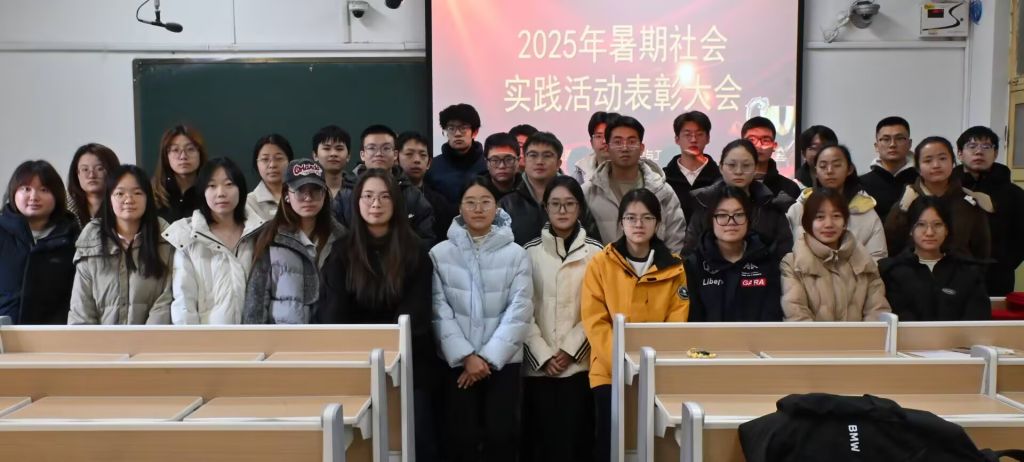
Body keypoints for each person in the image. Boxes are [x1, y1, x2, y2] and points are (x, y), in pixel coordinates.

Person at [318, 169, 442, 461]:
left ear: (396, 203)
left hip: (409, 364)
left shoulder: (416, 251)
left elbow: (415, 317)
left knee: (417, 440)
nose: (376, 204)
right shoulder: (341, 252)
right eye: (368, 196)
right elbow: (333, 315)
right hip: (355, 363)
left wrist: (385, 352)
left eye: (385, 197)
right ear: (357, 202)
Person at [581, 188, 689, 462]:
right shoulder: (601, 263)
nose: (638, 224)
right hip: (609, 371)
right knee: (611, 443)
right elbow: (595, 320)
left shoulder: (674, 267)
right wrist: (622, 363)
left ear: (658, 223)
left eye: (647, 218)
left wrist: (649, 364)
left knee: (654, 445)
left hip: (658, 370)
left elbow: (677, 319)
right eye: (631, 218)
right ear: (621, 223)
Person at [430, 177, 532, 462]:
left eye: (485, 202)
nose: (478, 209)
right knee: (459, 438)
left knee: (502, 436)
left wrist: (486, 359)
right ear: (459, 208)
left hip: (503, 363)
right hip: (456, 364)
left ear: (496, 207)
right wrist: (466, 356)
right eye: (470, 202)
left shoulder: (517, 254)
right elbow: (438, 309)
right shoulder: (440, 254)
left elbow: (520, 309)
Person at [521, 176, 601, 462]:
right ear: (545, 207)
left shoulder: (597, 253)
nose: (562, 210)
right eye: (555, 204)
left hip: (579, 366)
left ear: (580, 208)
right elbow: (521, 310)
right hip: (538, 369)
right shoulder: (528, 252)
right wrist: (544, 355)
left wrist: (569, 351)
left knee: (576, 443)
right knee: (539, 443)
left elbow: (598, 310)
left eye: (569, 203)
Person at [242, 159, 346, 324]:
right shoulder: (271, 237)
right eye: (299, 190)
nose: (308, 198)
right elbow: (256, 300)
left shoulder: (341, 238)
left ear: (325, 194)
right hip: (282, 335)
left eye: (315, 190)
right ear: (286, 195)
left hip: (329, 335)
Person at [164, 158, 265, 325]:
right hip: (207, 337)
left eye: (229, 184)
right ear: (202, 191)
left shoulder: (259, 233)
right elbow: (184, 301)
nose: (221, 193)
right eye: (212, 186)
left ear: (240, 189)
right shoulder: (188, 237)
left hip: (254, 335)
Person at [68, 165, 173, 325]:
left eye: (137, 193)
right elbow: (81, 308)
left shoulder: (165, 239)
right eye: (120, 193)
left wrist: (146, 339)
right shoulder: (92, 241)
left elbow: (166, 301)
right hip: (98, 341)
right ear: (109, 199)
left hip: (153, 339)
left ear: (148, 198)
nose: (129, 200)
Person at [781, 188, 891, 322]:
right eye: (820, 217)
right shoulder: (793, 264)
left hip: (861, 336)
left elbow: (877, 312)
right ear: (808, 223)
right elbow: (796, 315)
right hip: (811, 336)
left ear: (845, 222)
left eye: (836, 216)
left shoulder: (864, 262)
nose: (829, 224)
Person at [583, 115, 686, 251]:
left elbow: (675, 239)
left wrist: (665, 264)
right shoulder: (588, 192)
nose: (625, 148)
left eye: (631, 141)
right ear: (607, 147)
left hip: (655, 265)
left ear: (642, 148)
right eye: (618, 142)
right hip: (602, 264)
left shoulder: (663, 191)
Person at [879, 197, 990, 321]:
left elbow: (978, 318)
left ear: (947, 229)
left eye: (937, 224)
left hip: (961, 334)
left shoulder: (968, 271)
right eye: (921, 224)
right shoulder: (892, 271)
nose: (929, 232)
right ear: (910, 229)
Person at [684, 186, 783, 322]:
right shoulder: (694, 264)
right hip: (708, 336)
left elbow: (772, 313)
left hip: (758, 335)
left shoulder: (766, 259)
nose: (731, 222)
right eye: (722, 215)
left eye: (739, 215)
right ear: (711, 220)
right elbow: (693, 318)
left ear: (748, 219)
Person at [885, 136, 992, 259]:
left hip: (961, 269)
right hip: (913, 269)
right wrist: (902, 209)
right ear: (918, 168)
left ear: (953, 162)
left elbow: (982, 250)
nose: (936, 165)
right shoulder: (908, 200)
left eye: (942, 158)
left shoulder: (968, 202)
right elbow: (890, 244)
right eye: (928, 160)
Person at [684, 139, 794, 258]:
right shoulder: (705, 203)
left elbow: (784, 254)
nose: (738, 171)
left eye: (746, 165)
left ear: (755, 168)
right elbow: (690, 254)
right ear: (721, 168)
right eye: (732, 165)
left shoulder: (770, 206)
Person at [0, 160, 79, 324]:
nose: (34, 197)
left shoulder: (73, 237)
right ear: (13, 192)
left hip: (54, 333)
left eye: (44, 190)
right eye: (26, 189)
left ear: (57, 195)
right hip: (5, 331)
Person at [332, 125, 436, 243]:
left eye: (386, 148)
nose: (379, 154)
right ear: (362, 155)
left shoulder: (412, 195)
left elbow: (425, 240)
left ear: (395, 154)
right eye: (372, 148)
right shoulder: (345, 196)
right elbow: (336, 240)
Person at [954, 126, 1024, 295]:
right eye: (972, 146)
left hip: (997, 277)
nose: (979, 152)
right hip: (952, 274)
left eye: (986, 147)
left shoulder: (1014, 194)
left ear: (996, 153)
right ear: (960, 154)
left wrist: (1004, 264)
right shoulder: (948, 189)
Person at [786, 144, 888, 260]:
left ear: (849, 169)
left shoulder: (864, 211)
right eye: (823, 166)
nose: (829, 171)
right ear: (816, 171)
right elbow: (787, 253)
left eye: (837, 165)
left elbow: (877, 257)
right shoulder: (800, 208)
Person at [500, 131, 601, 245]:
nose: (539, 161)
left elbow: (592, 242)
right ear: (524, 160)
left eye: (547, 156)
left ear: (558, 163)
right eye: (533, 155)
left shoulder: (574, 195)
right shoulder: (507, 203)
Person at [398, 130, 458, 242]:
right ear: (396, 158)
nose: (417, 160)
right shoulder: (388, 195)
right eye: (409, 154)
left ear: (429, 163)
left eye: (422, 155)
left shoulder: (439, 202)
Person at [663, 111, 722, 222]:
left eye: (699, 134)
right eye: (687, 135)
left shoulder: (721, 178)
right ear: (677, 139)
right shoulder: (663, 178)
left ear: (708, 138)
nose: (693, 140)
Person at [426, 103, 488, 204]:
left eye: (463, 128)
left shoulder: (487, 164)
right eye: (451, 129)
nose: (457, 134)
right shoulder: (433, 166)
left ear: (475, 132)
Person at [859, 116, 919, 219]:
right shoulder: (861, 184)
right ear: (876, 146)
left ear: (909, 144)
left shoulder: (921, 181)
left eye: (899, 138)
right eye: (886, 139)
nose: (892, 144)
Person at [152, 124, 208, 223]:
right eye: (175, 150)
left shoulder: (211, 192)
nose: (183, 156)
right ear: (166, 156)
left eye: (190, 149)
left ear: (200, 153)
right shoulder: (153, 193)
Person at [742, 116, 800, 199]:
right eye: (752, 140)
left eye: (765, 140)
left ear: (774, 146)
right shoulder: (728, 184)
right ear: (741, 144)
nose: (759, 145)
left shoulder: (790, 189)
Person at [67, 143, 121, 227]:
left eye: (99, 168)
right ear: (77, 173)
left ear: (112, 171)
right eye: (85, 169)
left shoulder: (124, 205)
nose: (91, 175)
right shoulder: (65, 209)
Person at [245, 134, 294, 222]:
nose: (272, 165)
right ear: (256, 164)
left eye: (279, 158)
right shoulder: (248, 203)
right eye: (265, 159)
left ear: (290, 161)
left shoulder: (302, 196)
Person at [573, 111, 616, 184]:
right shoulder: (580, 175)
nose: (604, 141)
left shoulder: (633, 170)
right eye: (599, 136)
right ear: (591, 143)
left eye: (609, 135)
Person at [310, 124, 352, 199]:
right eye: (326, 148)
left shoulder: (360, 188)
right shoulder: (306, 189)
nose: (333, 154)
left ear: (348, 156)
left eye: (339, 149)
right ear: (315, 155)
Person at [481, 132, 524, 200]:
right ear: (486, 162)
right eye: (495, 160)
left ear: (518, 161)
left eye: (508, 159)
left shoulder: (530, 190)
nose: (502, 166)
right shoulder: (475, 190)